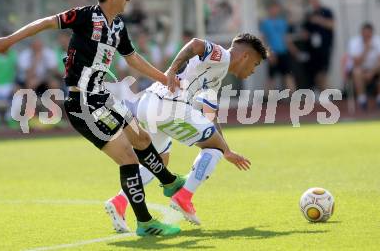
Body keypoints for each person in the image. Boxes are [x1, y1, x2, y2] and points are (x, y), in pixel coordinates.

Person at [0, 0, 185, 236]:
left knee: (142, 139)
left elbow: (132, 59)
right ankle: (146, 221)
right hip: (83, 102)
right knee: (128, 158)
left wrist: (165, 77)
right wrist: (9, 41)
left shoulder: (119, 26)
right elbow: (46, 22)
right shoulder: (86, 16)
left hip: (101, 96)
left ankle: (168, 183)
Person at [106, 33, 268, 230]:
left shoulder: (216, 75)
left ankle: (120, 202)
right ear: (245, 57)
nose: (253, 70)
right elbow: (196, 44)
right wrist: (172, 70)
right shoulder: (222, 57)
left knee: (159, 161)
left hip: (148, 103)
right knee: (213, 150)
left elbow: (210, 115)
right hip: (169, 106)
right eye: (256, 64)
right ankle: (184, 196)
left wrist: (226, 148)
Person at [348, 23, 380, 110]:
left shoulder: (378, 41)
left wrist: (372, 72)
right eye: (364, 33)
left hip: (376, 70)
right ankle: (362, 100)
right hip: (362, 69)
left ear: (372, 33)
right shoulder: (354, 42)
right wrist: (366, 50)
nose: (366, 35)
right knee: (357, 71)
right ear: (361, 33)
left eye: (368, 33)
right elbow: (356, 63)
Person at [260, 1, 296, 92]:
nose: (274, 10)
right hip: (273, 53)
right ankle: (266, 99)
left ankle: (293, 96)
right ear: (268, 10)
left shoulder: (283, 22)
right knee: (271, 77)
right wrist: (268, 53)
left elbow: (286, 37)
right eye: (272, 8)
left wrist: (293, 49)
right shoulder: (265, 23)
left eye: (276, 8)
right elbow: (263, 40)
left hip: (283, 52)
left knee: (288, 74)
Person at [303, 0, 334, 92]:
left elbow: (332, 25)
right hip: (313, 48)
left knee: (323, 70)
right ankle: (319, 90)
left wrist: (319, 20)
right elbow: (306, 30)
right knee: (315, 70)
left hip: (325, 46)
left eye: (315, 0)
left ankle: (325, 90)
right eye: (311, 1)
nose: (313, 3)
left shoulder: (327, 11)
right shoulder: (309, 14)